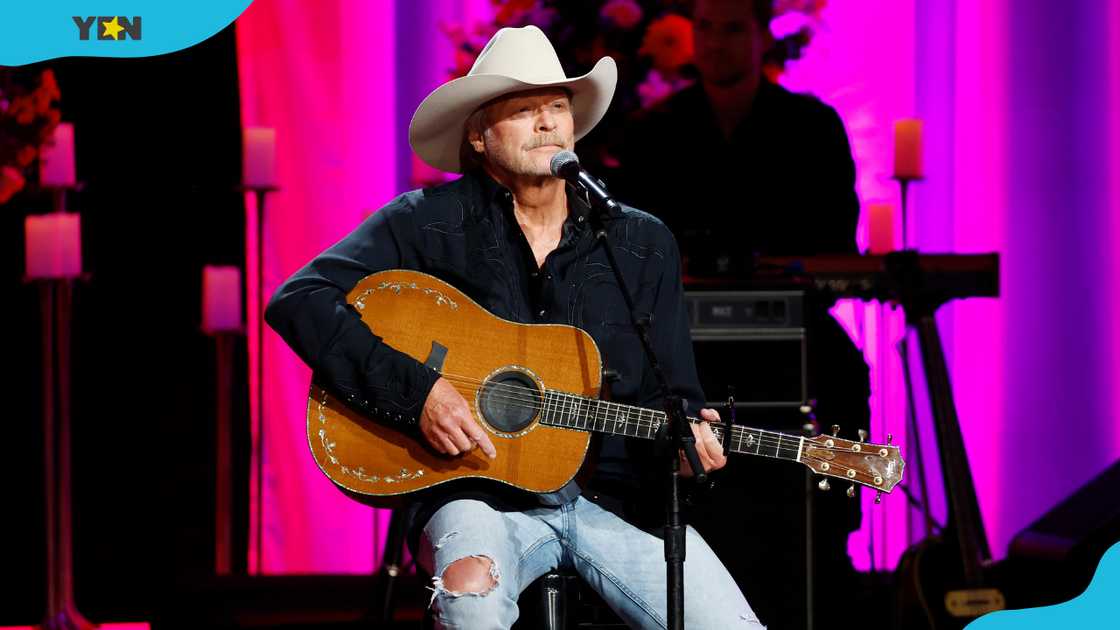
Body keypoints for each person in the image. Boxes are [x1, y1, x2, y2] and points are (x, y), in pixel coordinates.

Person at [265, 25, 765, 629]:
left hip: (612, 502)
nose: (547, 122)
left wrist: (688, 450)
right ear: (478, 135)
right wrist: (418, 391)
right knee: (471, 594)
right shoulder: (425, 224)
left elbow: (673, 398)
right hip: (473, 493)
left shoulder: (640, 242)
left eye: (557, 106)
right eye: (524, 109)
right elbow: (299, 298)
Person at [616, 1, 871, 627]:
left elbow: (837, 239)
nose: (716, 42)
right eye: (704, 27)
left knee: (844, 372)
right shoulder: (657, 130)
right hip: (684, 337)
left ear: (761, 38)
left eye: (732, 28)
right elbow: (630, 250)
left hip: (793, 331)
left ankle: (828, 553)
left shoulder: (812, 125)